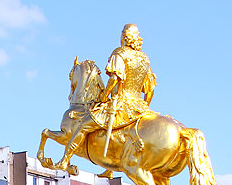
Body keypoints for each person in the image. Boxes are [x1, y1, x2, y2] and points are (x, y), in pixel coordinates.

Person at [55, 23, 158, 171]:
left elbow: (114, 79)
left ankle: (65, 160)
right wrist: (144, 107)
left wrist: (104, 96)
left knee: (83, 126)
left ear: (124, 37)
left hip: (121, 103)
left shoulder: (120, 53)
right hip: (140, 107)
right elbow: (150, 90)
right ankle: (109, 170)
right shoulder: (144, 59)